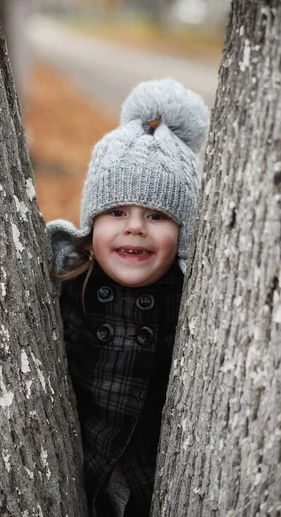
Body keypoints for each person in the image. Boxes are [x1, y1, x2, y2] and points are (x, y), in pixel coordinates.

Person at [47, 79, 209, 516]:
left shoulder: (191, 297)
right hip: (84, 467)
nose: (134, 227)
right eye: (116, 212)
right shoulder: (71, 281)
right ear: (91, 223)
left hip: (154, 477)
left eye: (156, 215)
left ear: (184, 233)